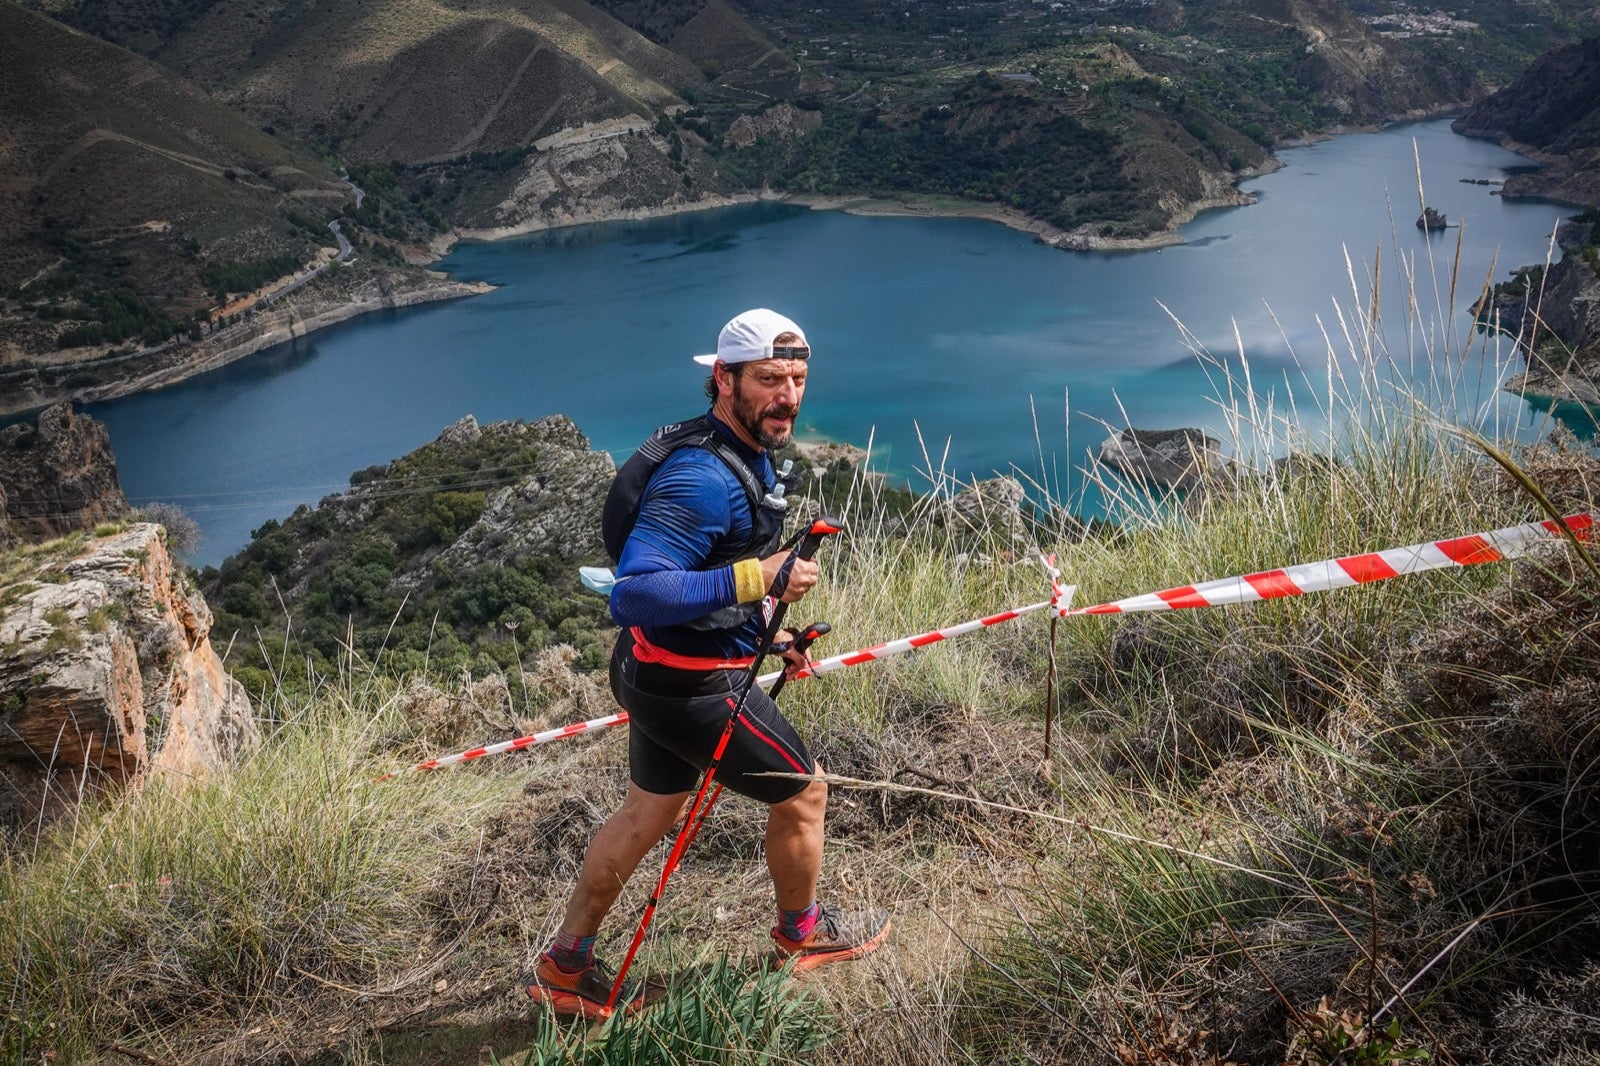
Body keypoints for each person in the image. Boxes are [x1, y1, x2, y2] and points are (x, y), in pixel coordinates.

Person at [527, 308, 891, 1018]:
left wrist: (764, 632)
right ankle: (803, 936)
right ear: (723, 379)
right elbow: (635, 593)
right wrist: (764, 579)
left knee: (646, 811)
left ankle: (563, 967)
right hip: (692, 686)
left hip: (649, 669)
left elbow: (706, 571)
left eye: (796, 379)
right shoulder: (701, 478)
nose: (786, 395)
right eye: (768, 380)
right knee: (804, 795)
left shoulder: (722, 444)